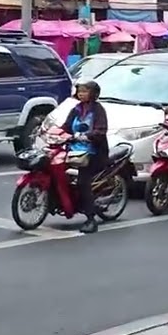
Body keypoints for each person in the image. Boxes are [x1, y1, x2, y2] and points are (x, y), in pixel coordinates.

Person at [63, 79, 110, 234]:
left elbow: (101, 130)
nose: (81, 94)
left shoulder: (98, 110)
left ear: (93, 94)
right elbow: (65, 126)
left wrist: (87, 136)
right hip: (73, 151)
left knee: (83, 182)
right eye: (80, 91)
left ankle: (90, 219)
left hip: (93, 153)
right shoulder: (76, 109)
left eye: (85, 91)